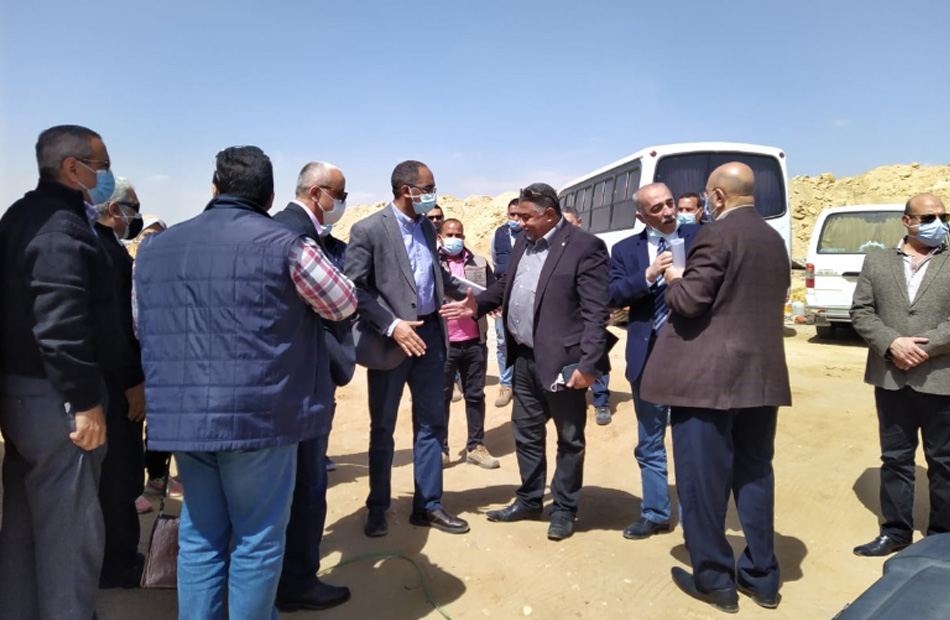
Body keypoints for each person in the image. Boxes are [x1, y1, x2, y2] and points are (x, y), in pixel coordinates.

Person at [134, 146, 357, 620]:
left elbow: (143, 324)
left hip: (185, 417)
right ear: (271, 196)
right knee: (258, 539)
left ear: (214, 189)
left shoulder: (154, 248)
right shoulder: (289, 245)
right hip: (260, 418)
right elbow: (342, 303)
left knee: (201, 535)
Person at [640, 162, 791, 612]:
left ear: (718, 197)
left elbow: (690, 301)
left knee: (702, 482)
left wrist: (673, 279)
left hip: (706, 382)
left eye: (706, 196)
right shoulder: (773, 239)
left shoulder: (716, 235)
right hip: (759, 379)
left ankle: (714, 579)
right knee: (755, 475)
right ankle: (762, 577)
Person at [441, 183, 611, 540]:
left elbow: (597, 313)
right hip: (524, 358)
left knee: (569, 438)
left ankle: (563, 509)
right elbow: (505, 285)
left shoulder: (585, 247)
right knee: (526, 432)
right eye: (516, 216)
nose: (518, 223)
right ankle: (530, 499)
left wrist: (589, 365)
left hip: (564, 362)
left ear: (549, 214)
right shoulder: (523, 242)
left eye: (525, 217)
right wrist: (478, 305)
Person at [0, 124, 121, 620]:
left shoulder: (21, 215)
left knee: (26, 526)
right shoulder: (59, 229)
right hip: (56, 402)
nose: (107, 174)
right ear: (73, 168)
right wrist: (83, 401)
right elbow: (60, 326)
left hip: (24, 396)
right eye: (102, 164)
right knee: (70, 533)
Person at [344, 160, 471, 537]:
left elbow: (437, 276)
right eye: (428, 188)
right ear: (407, 191)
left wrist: (472, 295)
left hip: (430, 336)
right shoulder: (369, 230)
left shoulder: (427, 229)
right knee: (383, 427)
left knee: (431, 423)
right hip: (391, 340)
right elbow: (355, 288)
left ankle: (428, 505)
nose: (434, 194)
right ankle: (378, 507)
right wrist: (392, 324)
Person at [269, 160, 354, 612]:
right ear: (317, 192)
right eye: (339, 195)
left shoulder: (268, 229)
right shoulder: (297, 237)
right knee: (306, 484)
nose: (342, 203)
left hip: (274, 379)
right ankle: (298, 581)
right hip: (304, 378)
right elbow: (341, 303)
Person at [850, 193, 950, 557]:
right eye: (928, 218)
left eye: (943, 217)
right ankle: (895, 532)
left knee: (944, 461)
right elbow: (861, 311)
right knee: (895, 458)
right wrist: (892, 344)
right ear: (907, 221)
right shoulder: (877, 261)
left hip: (940, 376)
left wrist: (923, 347)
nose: (938, 224)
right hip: (891, 377)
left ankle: (942, 537)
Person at [608, 182, 700, 540]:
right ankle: (656, 512)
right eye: (657, 208)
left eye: (669, 203)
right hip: (647, 357)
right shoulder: (624, 250)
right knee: (650, 441)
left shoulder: (700, 238)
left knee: (693, 445)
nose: (668, 212)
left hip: (692, 355)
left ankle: (696, 523)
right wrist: (647, 276)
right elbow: (611, 295)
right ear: (641, 216)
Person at [93, 177, 150, 588]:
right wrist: (133, 382)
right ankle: (118, 562)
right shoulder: (108, 254)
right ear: (114, 210)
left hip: (101, 381)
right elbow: (115, 329)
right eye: (133, 208)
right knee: (120, 473)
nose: (136, 217)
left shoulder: (95, 246)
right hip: (116, 385)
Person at [439, 218, 500, 469]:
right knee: (441, 396)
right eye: (449, 234)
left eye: (459, 235)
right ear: (440, 237)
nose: (454, 239)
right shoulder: (433, 264)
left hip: (475, 341)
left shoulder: (480, 263)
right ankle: (440, 449)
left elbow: (494, 293)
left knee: (475, 395)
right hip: (444, 343)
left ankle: (475, 446)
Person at [563, 205, 613, 425]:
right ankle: (576, 395)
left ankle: (601, 401)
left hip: (592, 313)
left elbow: (606, 281)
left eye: (569, 223)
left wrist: (607, 311)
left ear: (579, 222)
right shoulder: (555, 249)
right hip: (570, 317)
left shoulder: (592, 246)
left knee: (596, 353)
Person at [489, 198, 522, 407]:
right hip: (503, 295)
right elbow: (495, 260)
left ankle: (526, 384)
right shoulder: (499, 234)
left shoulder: (531, 234)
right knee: (502, 341)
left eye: (519, 215)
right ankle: (506, 384)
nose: (515, 219)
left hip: (524, 294)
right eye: (512, 214)